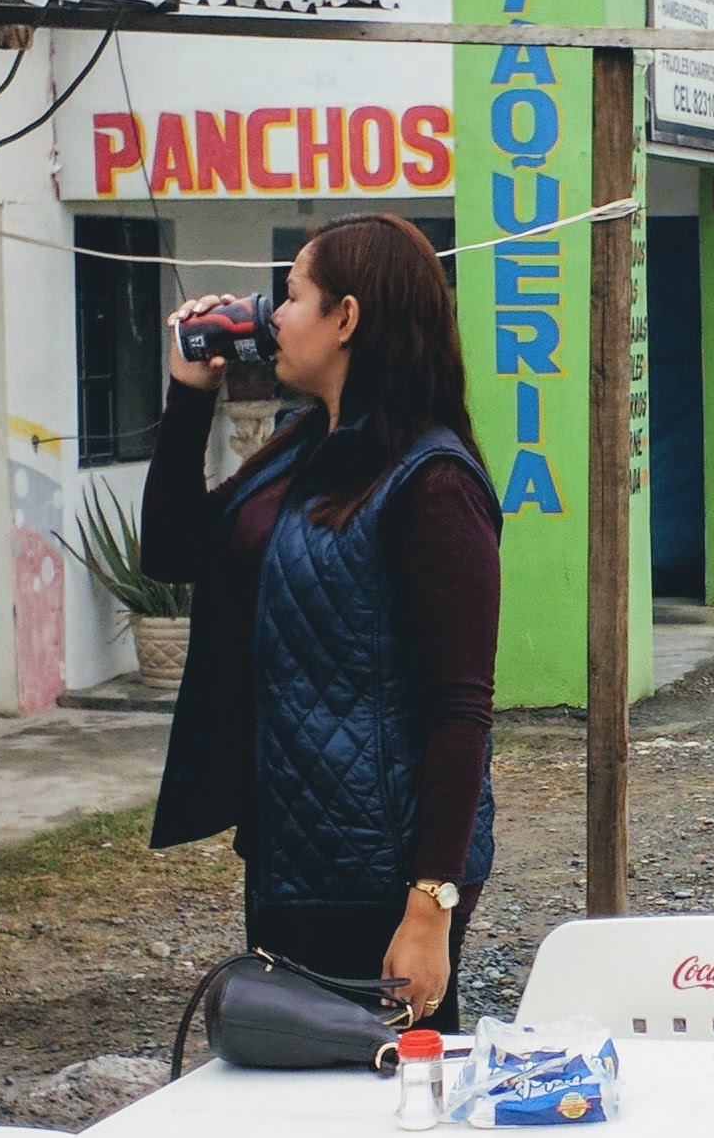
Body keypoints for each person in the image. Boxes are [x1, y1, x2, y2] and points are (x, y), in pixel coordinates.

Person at [140, 213, 498, 1025]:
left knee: (382, 1108)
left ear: (347, 318)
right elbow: (170, 552)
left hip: (382, 874)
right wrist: (190, 396)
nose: (272, 315)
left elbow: (461, 712)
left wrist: (429, 907)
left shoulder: (434, 483)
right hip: (290, 855)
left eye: (293, 294)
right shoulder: (302, 451)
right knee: (293, 1109)